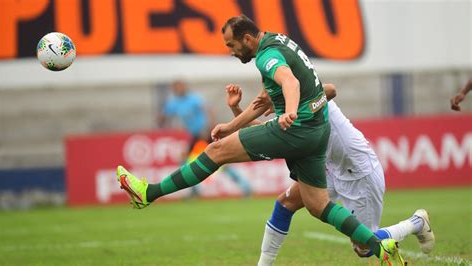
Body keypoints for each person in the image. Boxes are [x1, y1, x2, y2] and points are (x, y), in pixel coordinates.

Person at [116, 15, 404, 264]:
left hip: (297, 129)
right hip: (317, 131)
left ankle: (148, 193)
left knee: (215, 152)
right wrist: (231, 124)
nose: (229, 51)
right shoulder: (278, 42)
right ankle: (381, 247)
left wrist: (289, 113)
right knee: (317, 205)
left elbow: (289, 82)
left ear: (248, 38)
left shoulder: (267, 58)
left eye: (231, 44)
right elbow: (266, 102)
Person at [224, 84, 435, 266]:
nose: (264, 96)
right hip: (330, 170)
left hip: (358, 173)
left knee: (363, 247)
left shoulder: (307, 96)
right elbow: (266, 132)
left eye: (268, 91)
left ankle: (416, 222)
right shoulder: (290, 108)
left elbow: (330, 90)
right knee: (285, 203)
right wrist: (236, 109)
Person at [158, 80, 251, 197]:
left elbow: (208, 111)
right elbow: (164, 115)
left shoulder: (194, 99)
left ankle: (244, 186)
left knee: (220, 158)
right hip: (195, 135)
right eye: (177, 87)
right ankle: (195, 190)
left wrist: (209, 126)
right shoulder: (174, 103)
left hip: (205, 133)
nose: (180, 89)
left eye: (181, 86)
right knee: (189, 161)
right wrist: (161, 119)